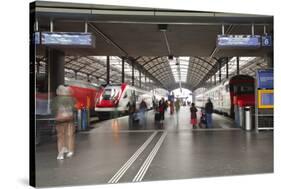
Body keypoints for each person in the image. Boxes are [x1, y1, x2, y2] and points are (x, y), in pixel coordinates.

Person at [52, 85, 76, 160]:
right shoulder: (71, 99)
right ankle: (70, 150)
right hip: (69, 120)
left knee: (60, 136)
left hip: (59, 120)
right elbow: (74, 108)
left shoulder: (55, 100)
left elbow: (53, 110)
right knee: (69, 135)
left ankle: (60, 153)